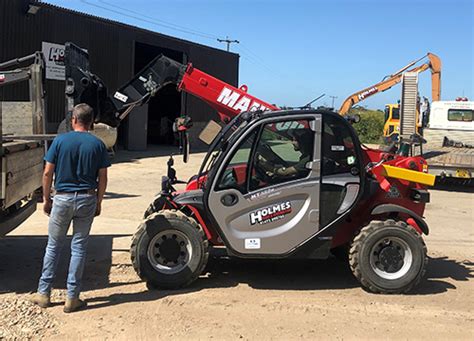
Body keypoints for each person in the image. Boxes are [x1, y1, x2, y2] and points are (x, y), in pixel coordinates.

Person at [30, 103, 111, 313]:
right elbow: (103, 177)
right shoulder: (98, 144)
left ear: (73, 120)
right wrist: (99, 201)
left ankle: (43, 293)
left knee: (53, 246)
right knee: (79, 247)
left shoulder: (60, 141)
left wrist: (47, 199)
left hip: (62, 198)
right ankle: (72, 297)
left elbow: (47, 173)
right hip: (87, 198)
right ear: (92, 122)